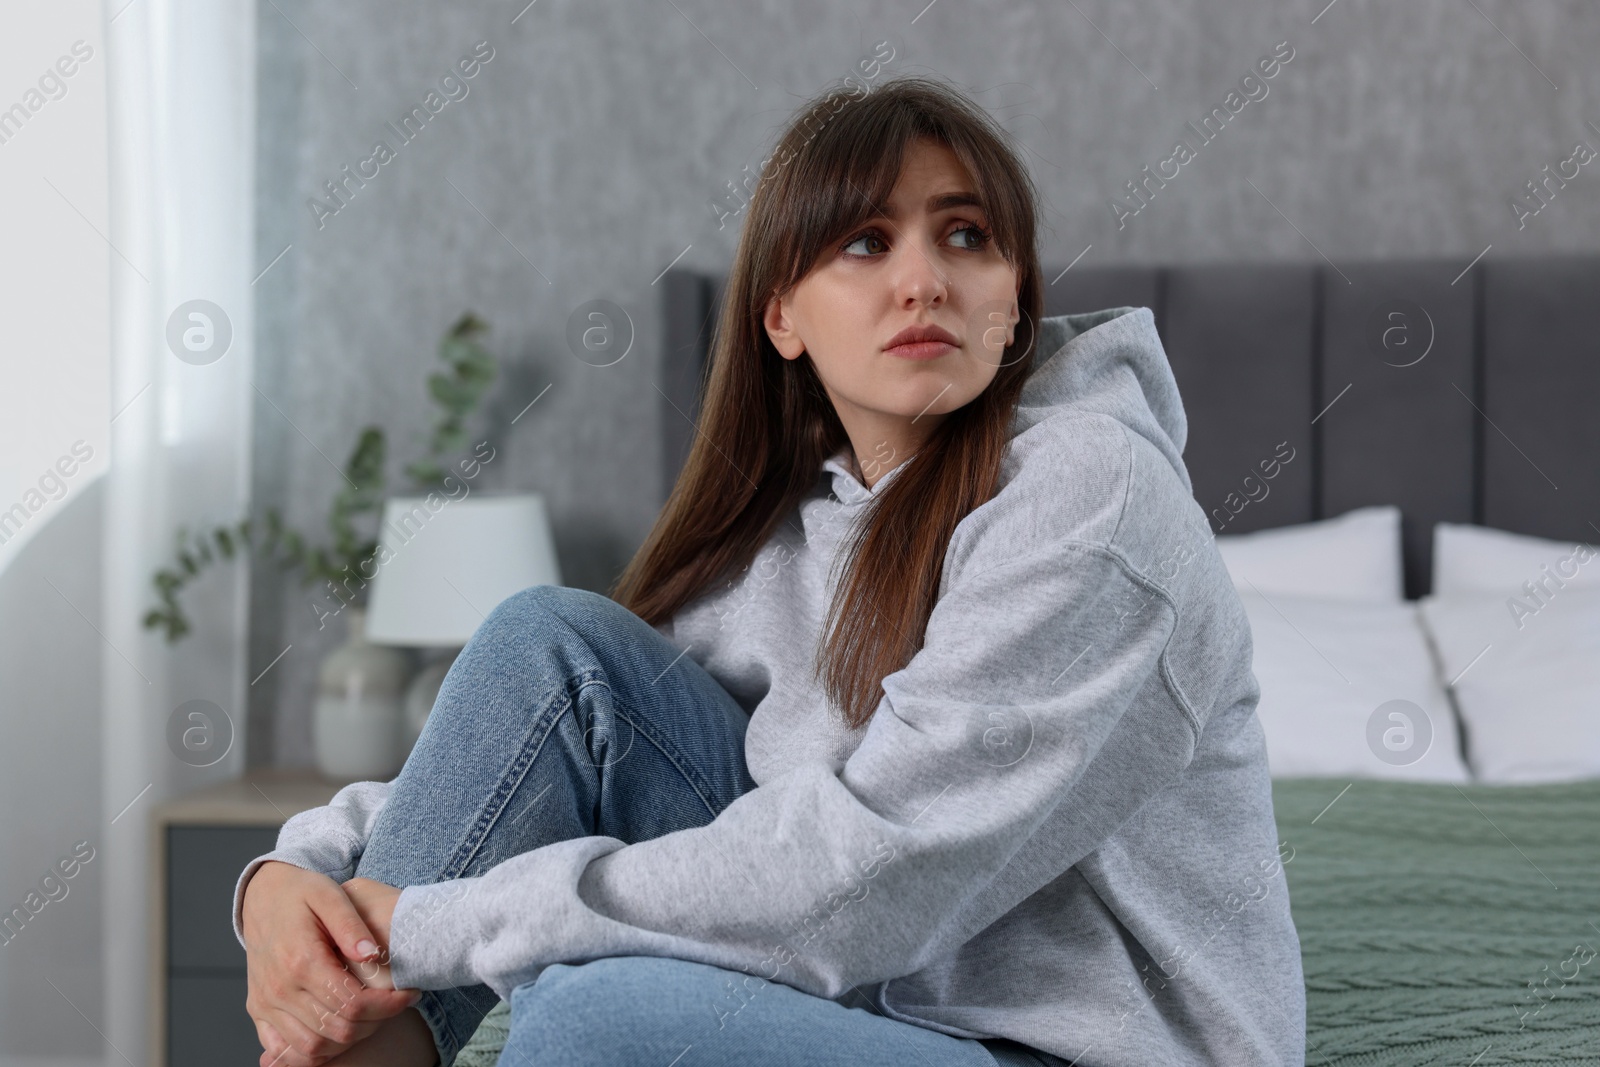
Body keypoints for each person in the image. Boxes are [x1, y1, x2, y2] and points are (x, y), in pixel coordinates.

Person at [235, 76, 1305, 1067]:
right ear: (780, 316)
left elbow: (876, 872)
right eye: (865, 243)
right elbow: (518, 751)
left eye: (966, 236)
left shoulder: (1093, 495)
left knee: (596, 1017)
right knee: (551, 643)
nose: (923, 279)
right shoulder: (789, 524)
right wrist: (300, 875)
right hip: (874, 1003)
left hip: (1059, 1050)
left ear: (1015, 299)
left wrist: (427, 921)